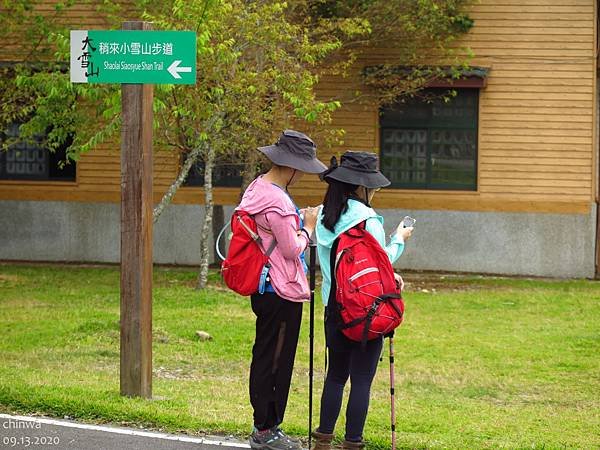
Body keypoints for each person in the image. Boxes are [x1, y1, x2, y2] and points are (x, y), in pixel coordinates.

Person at [311, 151, 413, 450]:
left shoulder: (323, 215)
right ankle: (353, 443)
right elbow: (383, 261)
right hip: (367, 309)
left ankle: (323, 439)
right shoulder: (367, 219)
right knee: (362, 380)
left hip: (334, 307)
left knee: (336, 376)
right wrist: (399, 239)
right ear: (361, 186)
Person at [238, 130, 327, 450]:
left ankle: (263, 425)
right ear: (290, 166)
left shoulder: (257, 188)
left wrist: (295, 222)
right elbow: (291, 250)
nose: (302, 174)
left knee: (264, 354)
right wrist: (308, 227)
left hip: (264, 286)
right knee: (277, 360)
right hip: (281, 289)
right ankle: (267, 429)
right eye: (301, 168)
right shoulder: (276, 200)